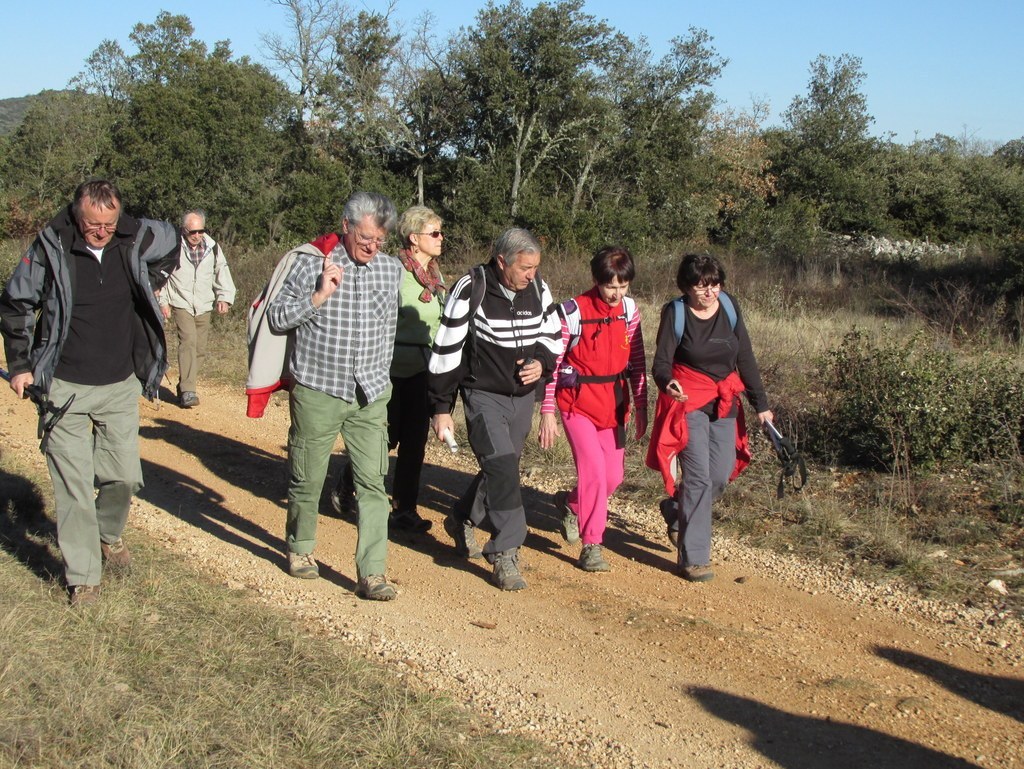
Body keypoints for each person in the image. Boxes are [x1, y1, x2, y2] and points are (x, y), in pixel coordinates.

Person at [0, 179, 178, 606]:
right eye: (93, 224)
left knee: (124, 478)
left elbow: (173, 241)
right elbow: (16, 304)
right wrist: (22, 366)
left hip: (119, 385)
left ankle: (106, 534)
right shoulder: (51, 246)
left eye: (109, 223)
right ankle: (83, 579)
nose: (101, 231)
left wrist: (152, 280)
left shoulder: (134, 237)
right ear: (77, 214)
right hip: (64, 388)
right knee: (74, 487)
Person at [267, 191, 403, 601]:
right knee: (307, 476)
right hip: (319, 389)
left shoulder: (391, 270)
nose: (373, 247)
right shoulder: (312, 264)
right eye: (365, 239)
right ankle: (301, 548)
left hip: (371, 393)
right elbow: (276, 318)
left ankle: (372, 572)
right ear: (345, 227)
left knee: (374, 483)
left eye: (379, 240)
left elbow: (390, 328)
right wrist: (318, 295)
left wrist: (383, 377)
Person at [428, 227, 563, 591]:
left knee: (500, 469)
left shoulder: (539, 288)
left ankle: (460, 518)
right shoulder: (472, 287)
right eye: (524, 268)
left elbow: (552, 335)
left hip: (520, 398)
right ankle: (505, 550)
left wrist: (542, 363)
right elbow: (446, 347)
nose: (531, 274)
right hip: (482, 394)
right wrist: (442, 407)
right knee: (502, 467)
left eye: (535, 267)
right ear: (502, 261)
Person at [647, 253, 773, 583]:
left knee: (719, 473)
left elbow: (745, 357)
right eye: (702, 287)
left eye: (715, 285)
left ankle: (678, 512)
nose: (710, 293)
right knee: (699, 478)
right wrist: (667, 383)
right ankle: (694, 558)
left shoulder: (729, 308)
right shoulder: (675, 313)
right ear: (687, 287)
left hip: (723, 400)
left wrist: (761, 405)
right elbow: (661, 363)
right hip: (688, 400)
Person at [332, 206, 447, 533]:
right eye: (434, 233)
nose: (441, 239)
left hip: (425, 369)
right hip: (389, 368)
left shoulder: (435, 276)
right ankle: (346, 484)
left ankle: (404, 509)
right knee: (385, 439)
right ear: (414, 238)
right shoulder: (392, 270)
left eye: (440, 233)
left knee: (415, 442)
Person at [538, 246, 648, 572]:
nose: (616, 293)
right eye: (610, 285)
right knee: (595, 473)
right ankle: (592, 545)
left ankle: (571, 504)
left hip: (613, 405)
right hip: (576, 404)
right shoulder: (572, 312)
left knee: (613, 477)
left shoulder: (629, 311)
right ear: (596, 280)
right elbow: (552, 365)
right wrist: (547, 412)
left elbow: (638, 362)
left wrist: (641, 406)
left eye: (622, 286)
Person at [159, 209, 236, 408]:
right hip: (181, 301)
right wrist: (163, 301)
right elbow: (164, 276)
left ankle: (185, 383)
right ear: (184, 230)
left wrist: (224, 297)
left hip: (203, 303)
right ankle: (188, 391)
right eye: (193, 231)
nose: (197, 235)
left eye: (201, 230)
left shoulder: (213, 247)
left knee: (200, 349)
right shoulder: (173, 247)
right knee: (188, 341)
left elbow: (221, 271)